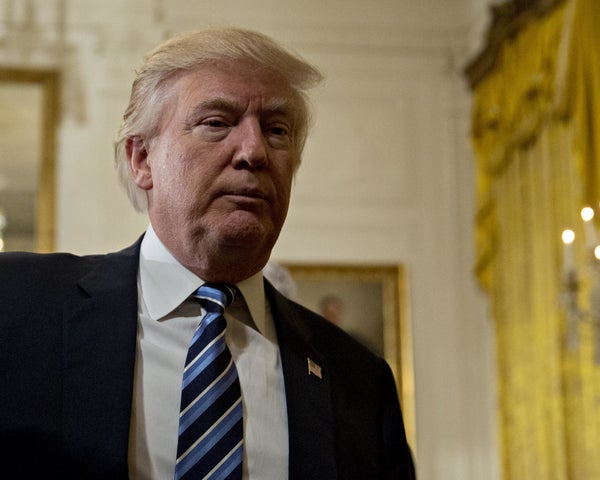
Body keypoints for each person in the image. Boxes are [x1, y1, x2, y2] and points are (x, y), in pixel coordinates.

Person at [0, 27, 414, 479]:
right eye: (216, 123)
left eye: (277, 131)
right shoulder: (17, 306)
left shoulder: (357, 378)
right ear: (141, 159)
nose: (254, 151)